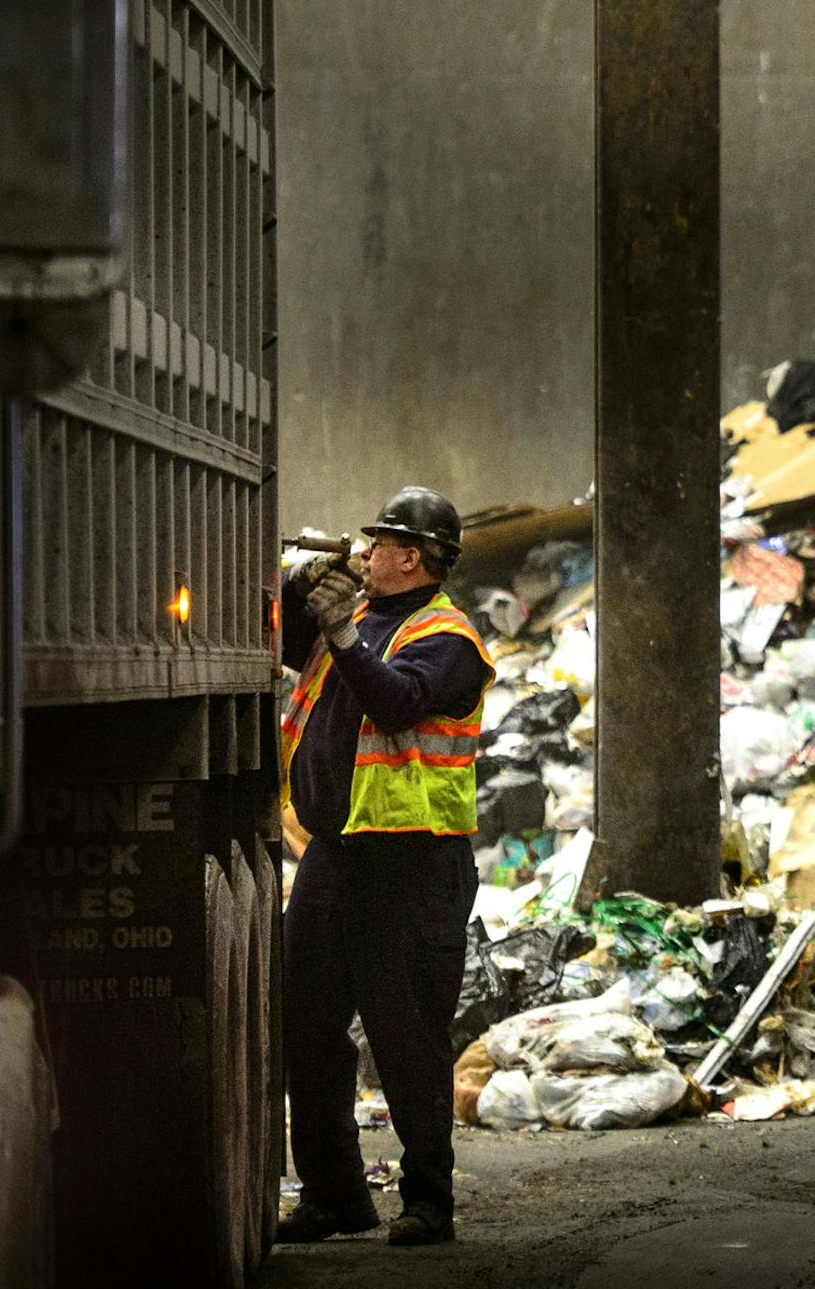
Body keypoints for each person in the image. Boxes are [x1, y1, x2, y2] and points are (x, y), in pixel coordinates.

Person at [274, 487, 492, 1247]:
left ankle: (429, 1201)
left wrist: (341, 632)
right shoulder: (359, 618)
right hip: (335, 855)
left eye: (379, 544)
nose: (366, 554)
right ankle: (335, 1196)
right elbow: (284, 641)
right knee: (306, 1023)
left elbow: (396, 702)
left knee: (407, 1036)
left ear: (414, 557)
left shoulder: (449, 639)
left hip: (413, 866)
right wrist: (296, 586)